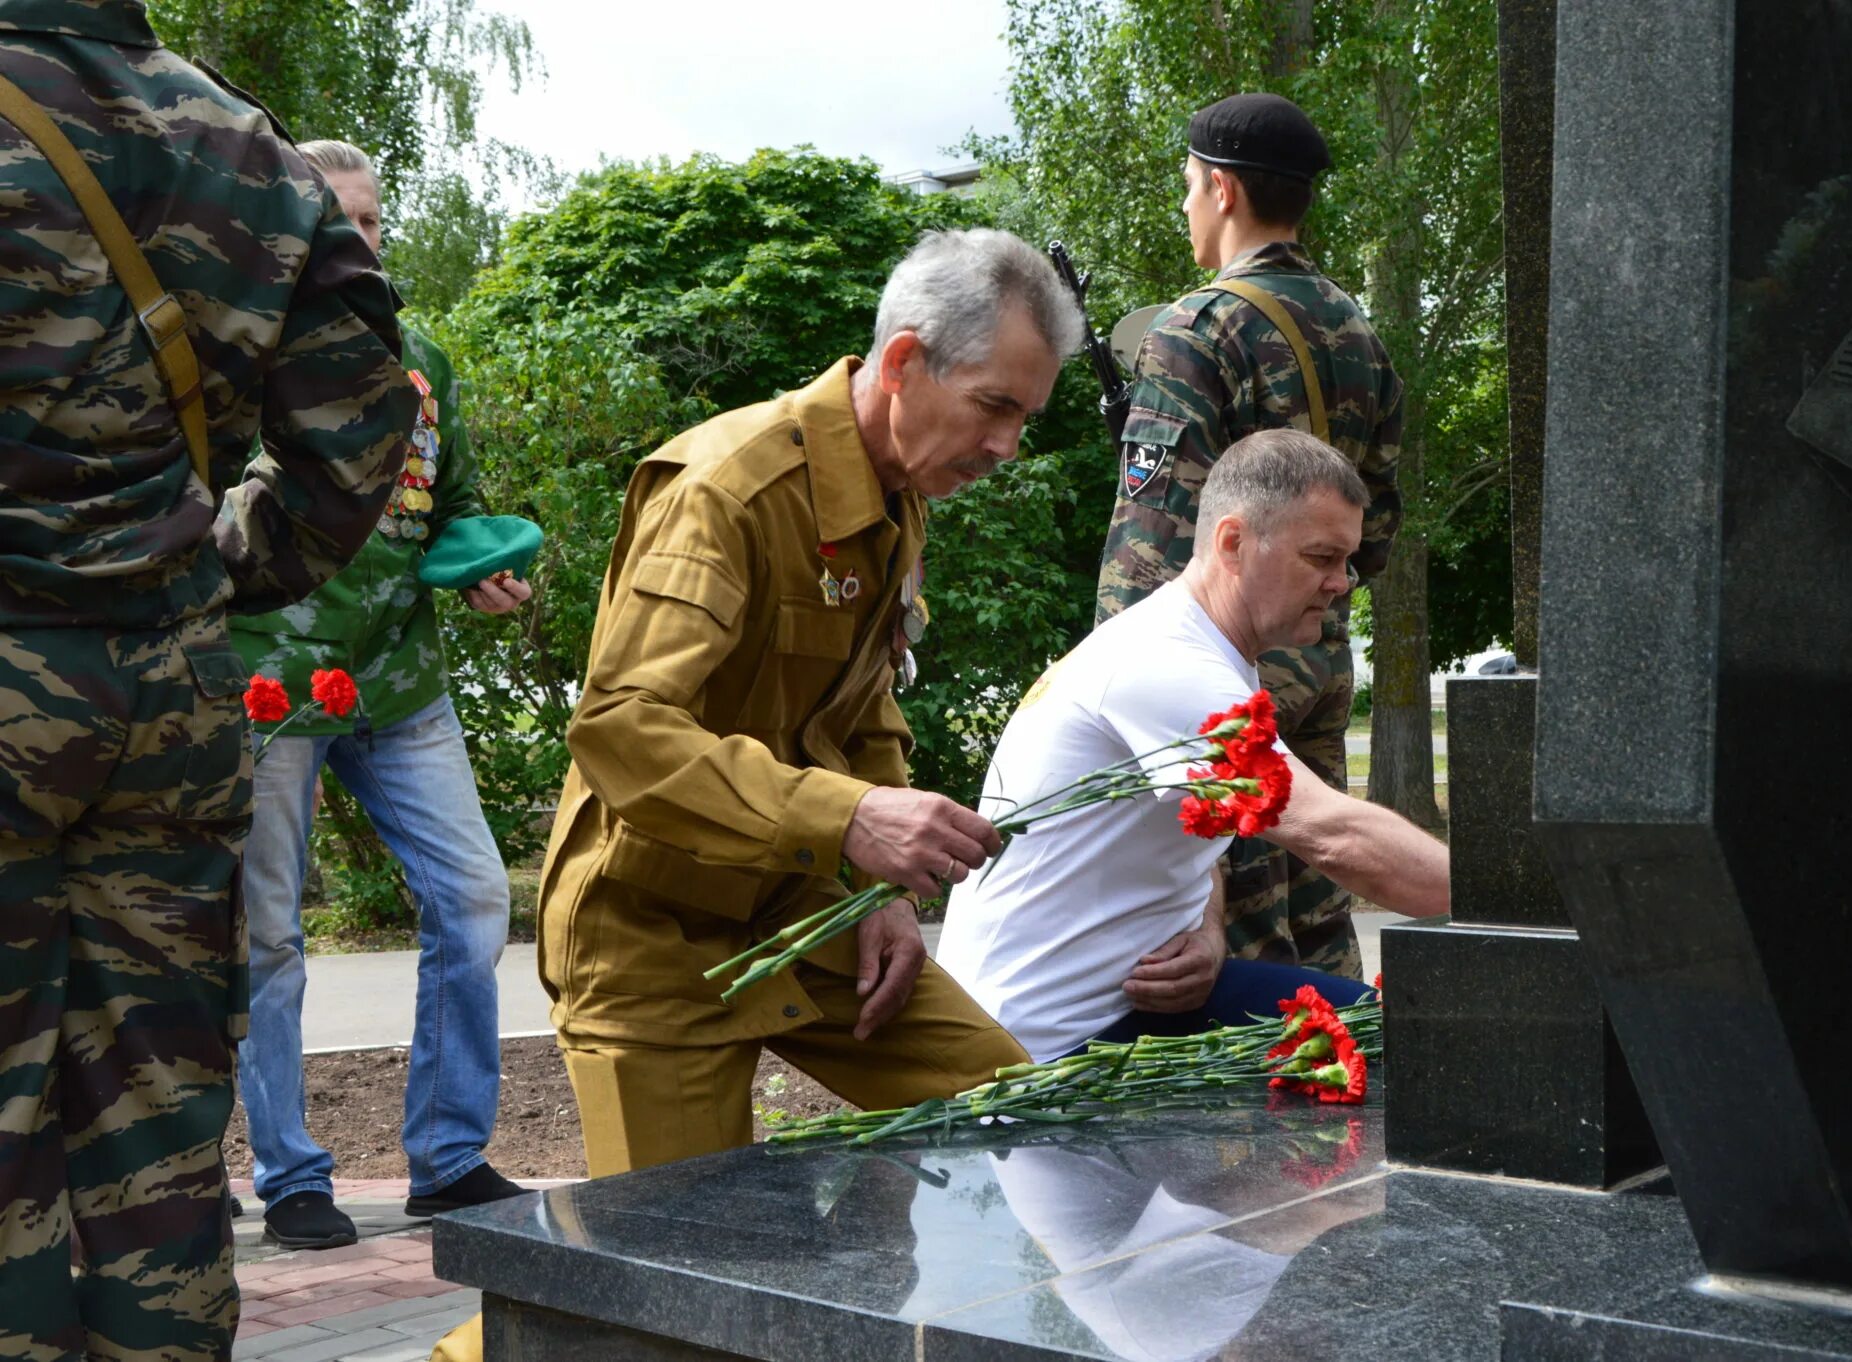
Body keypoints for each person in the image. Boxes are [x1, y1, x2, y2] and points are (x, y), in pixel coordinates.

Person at [428, 223, 1083, 1362]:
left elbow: (862, 712)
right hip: (654, 938)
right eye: (994, 406)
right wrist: (848, 821)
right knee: (672, 1296)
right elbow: (622, 730)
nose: (1008, 444)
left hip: (797, 916)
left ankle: (856, 1302)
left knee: (1012, 1111)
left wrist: (876, 890)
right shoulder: (727, 486)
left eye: (1024, 416)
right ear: (902, 364)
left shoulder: (896, 494)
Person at [0, 4, 417, 1356]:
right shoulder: (243, 137)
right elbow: (361, 422)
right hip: (168, 699)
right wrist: (213, 569)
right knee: (157, 1135)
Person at [228, 139, 534, 1250]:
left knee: (473, 899)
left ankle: (448, 1161)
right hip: (268, 680)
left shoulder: (427, 360)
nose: (362, 244)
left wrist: (480, 561)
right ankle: (288, 1175)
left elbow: (452, 503)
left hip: (399, 679)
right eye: (336, 224)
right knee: (264, 934)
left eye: (372, 224)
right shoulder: (241, 348)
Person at [942, 431, 1448, 1062]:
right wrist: (1525, 908)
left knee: (1389, 1036)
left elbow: (1185, 833)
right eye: (1321, 557)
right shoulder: (1167, 665)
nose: (1341, 583)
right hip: (1044, 1047)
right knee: (1410, 1052)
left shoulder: (1203, 648)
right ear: (1233, 543)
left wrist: (1208, 934)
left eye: (1344, 561)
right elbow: (1331, 834)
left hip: (1129, 1007)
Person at [1097, 92, 1406, 982]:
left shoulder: (1197, 329)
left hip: (1223, 673)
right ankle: (1351, 1096)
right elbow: (1372, 532)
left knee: (1230, 943)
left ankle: (1255, 1124)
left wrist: (1112, 702)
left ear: (1223, 189)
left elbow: (1147, 554)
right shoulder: (1359, 333)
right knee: (1319, 912)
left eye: (1190, 185)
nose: (1187, 205)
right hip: (1322, 654)